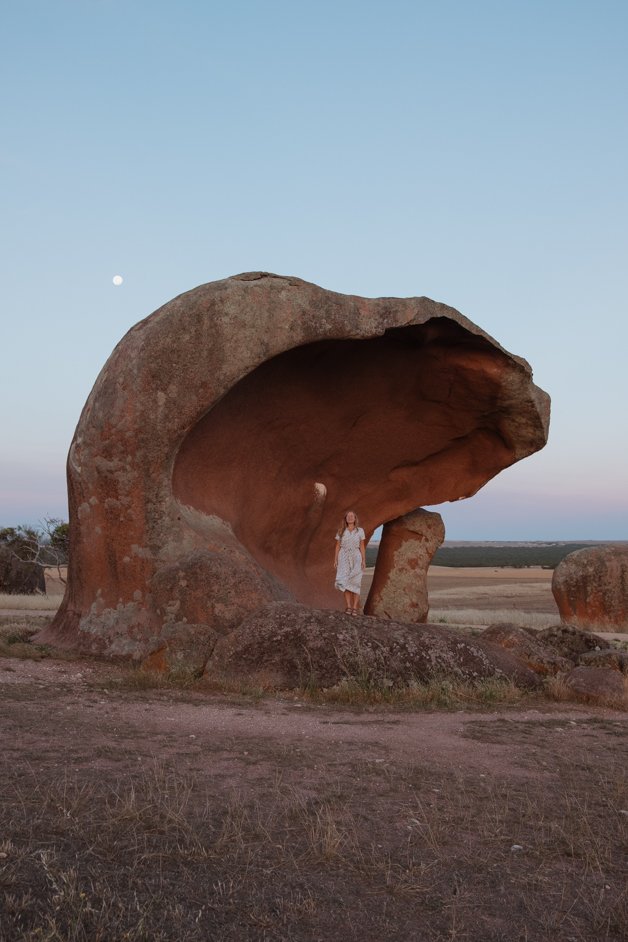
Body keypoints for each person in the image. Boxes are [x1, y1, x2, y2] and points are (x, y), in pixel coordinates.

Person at [334, 510, 366, 615]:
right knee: (346, 581)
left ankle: (355, 607)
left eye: (352, 516)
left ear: (355, 518)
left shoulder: (360, 531)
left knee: (356, 581)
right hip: (343, 557)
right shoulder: (341, 531)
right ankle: (348, 606)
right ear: (345, 519)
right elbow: (337, 546)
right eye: (348, 516)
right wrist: (335, 560)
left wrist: (363, 560)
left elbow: (362, 546)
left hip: (356, 557)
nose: (350, 517)